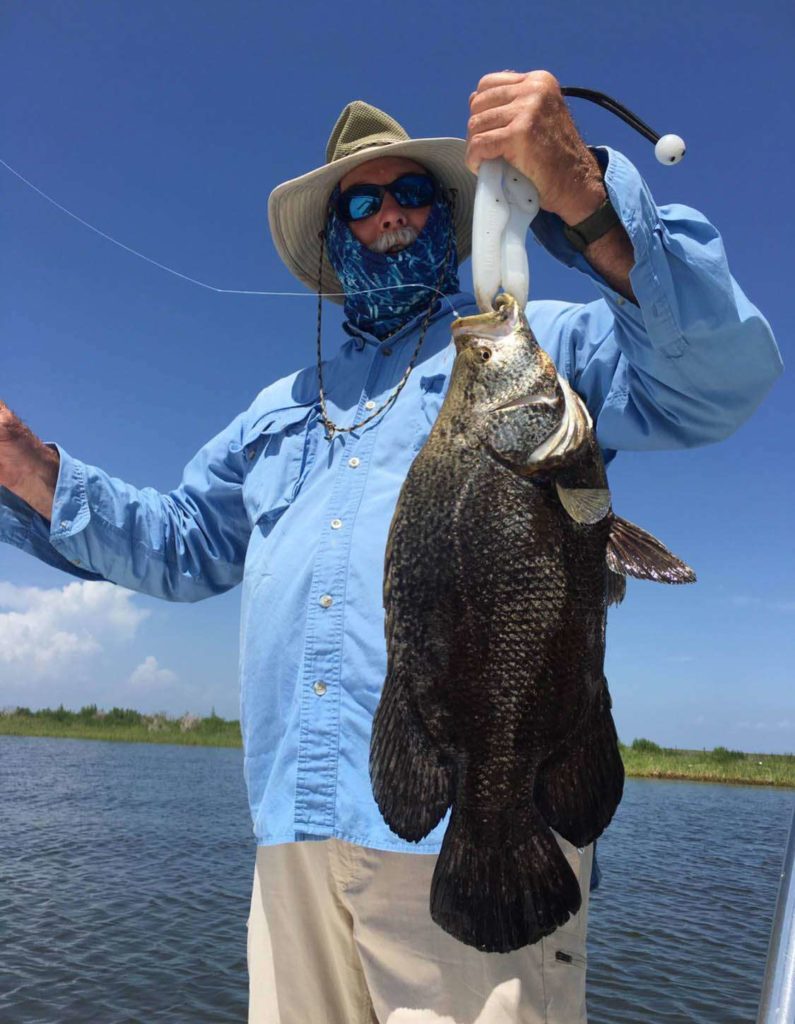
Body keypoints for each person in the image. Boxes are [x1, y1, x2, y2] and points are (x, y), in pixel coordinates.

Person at [0, 71, 782, 1024]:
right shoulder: (273, 413)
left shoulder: (534, 350)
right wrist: (33, 470)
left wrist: (581, 195)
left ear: (448, 216)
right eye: (361, 202)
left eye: (412, 193)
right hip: (292, 838)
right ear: (334, 237)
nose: (387, 215)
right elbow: (182, 545)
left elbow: (716, 381)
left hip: (481, 826)